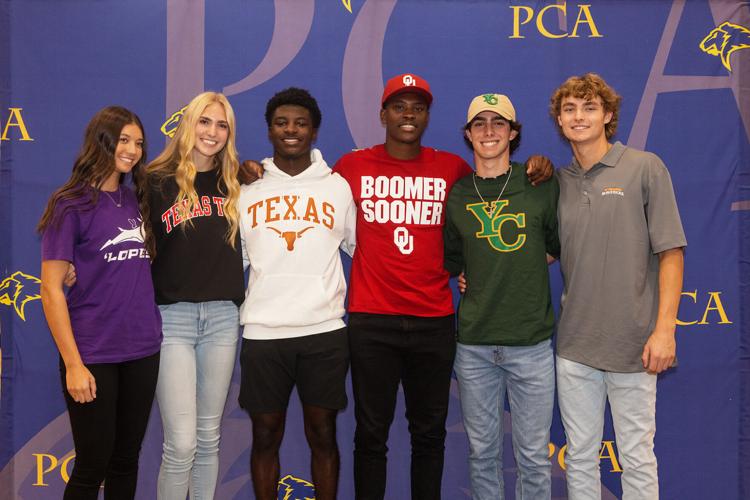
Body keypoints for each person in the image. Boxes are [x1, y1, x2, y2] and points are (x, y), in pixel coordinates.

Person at [332, 73, 553, 500]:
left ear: (429, 115)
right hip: (371, 319)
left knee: (429, 435)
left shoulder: (453, 169)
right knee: (370, 434)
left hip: (434, 320)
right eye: (399, 106)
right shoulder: (351, 166)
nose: (408, 113)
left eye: (417, 106)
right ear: (383, 114)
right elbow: (307, 190)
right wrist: (258, 173)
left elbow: (491, 209)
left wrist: (537, 166)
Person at [550, 73, 686, 500]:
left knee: (637, 458)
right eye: (570, 108)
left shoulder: (645, 167)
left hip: (634, 346)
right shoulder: (557, 182)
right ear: (559, 119)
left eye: (589, 107)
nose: (579, 116)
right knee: (581, 459)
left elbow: (671, 253)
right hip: (575, 348)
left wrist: (665, 330)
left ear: (608, 115)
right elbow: (545, 251)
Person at [237, 87, 356, 500]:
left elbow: (361, 249)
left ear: (314, 131)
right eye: (282, 122)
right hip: (263, 333)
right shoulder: (246, 190)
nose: (291, 130)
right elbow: (234, 259)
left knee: (323, 433)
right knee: (265, 435)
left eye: (301, 123)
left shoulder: (338, 188)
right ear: (269, 130)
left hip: (323, 331)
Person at [39, 106, 162, 499]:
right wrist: (74, 364)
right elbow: (51, 289)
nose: (132, 149)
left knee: (126, 461)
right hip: (93, 352)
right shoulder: (70, 203)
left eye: (139, 142)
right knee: (92, 466)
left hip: (142, 349)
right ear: (102, 141)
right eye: (123, 140)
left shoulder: (135, 200)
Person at [443, 94, 559, 500]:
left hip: (530, 344)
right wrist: (472, 276)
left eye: (498, 123)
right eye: (479, 123)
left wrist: (520, 266)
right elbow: (455, 261)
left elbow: (555, 247)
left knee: (532, 456)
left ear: (513, 132)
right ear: (468, 134)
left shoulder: (540, 184)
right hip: (474, 346)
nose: (488, 131)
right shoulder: (457, 195)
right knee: (483, 453)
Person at [138, 92, 244, 500]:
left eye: (221, 125)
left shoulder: (236, 182)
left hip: (221, 318)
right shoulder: (153, 179)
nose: (212, 132)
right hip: (172, 320)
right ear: (189, 124)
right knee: (181, 442)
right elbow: (128, 244)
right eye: (205, 122)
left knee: (208, 437)